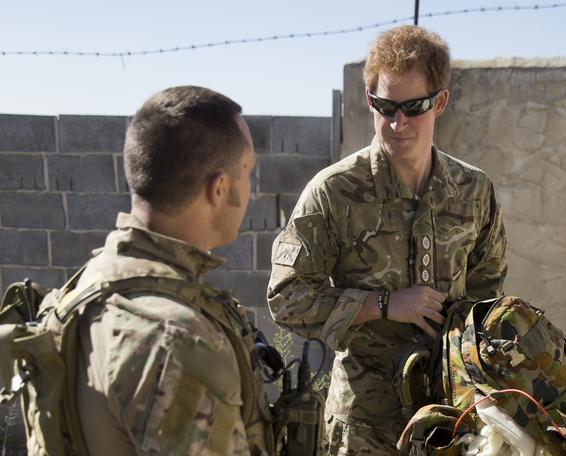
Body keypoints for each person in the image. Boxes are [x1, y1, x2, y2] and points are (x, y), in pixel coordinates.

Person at [267, 25, 508, 454]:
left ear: (441, 102)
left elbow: (487, 295)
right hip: (364, 426)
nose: (397, 123)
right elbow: (286, 298)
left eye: (413, 107)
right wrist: (382, 305)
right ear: (369, 101)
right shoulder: (333, 192)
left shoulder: (473, 191)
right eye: (385, 106)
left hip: (450, 421)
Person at [71, 86, 274, 455]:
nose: (250, 189)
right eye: (247, 171)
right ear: (220, 188)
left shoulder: (97, 277)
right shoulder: (180, 341)